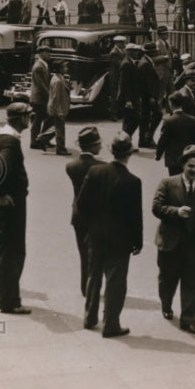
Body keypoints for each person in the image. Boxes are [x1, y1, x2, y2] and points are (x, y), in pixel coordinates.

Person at [75, 133, 143, 337]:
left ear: (111, 151)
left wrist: (91, 226)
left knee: (93, 276)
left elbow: (81, 204)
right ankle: (111, 324)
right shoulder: (133, 181)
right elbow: (135, 216)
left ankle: (89, 317)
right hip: (120, 239)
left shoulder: (95, 171)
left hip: (95, 235)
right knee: (115, 282)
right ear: (129, 154)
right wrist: (137, 241)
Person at [152, 145, 195, 334]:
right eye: (191, 166)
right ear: (183, 166)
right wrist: (176, 211)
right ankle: (166, 304)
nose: (194, 170)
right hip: (170, 243)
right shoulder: (167, 183)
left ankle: (188, 320)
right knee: (167, 280)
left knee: (192, 283)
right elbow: (156, 207)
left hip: (194, 244)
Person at [0, 102, 33, 314]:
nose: (30, 119)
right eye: (28, 116)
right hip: (11, 204)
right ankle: (10, 301)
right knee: (13, 252)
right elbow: (2, 168)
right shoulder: (11, 142)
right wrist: (2, 192)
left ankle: (0, 297)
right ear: (21, 118)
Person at [64, 127, 106, 297]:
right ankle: (93, 286)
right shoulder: (102, 167)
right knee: (96, 254)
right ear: (93, 146)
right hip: (96, 217)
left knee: (83, 252)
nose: (101, 147)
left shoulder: (71, 166)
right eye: (99, 144)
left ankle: (85, 287)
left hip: (78, 215)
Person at [155, 91, 195, 177]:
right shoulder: (192, 119)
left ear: (171, 104)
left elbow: (163, 140)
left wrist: (158, 155)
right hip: (188, 157)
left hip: (173, 160)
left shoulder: (168, 121)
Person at [28, 44, 53, 149]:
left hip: (41, 98)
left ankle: (43, 139)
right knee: (37, 121)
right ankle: (34, 142)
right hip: (39, 98)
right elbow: (41, 85)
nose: (49, 54)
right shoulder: (38, 66)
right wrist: (50, 96)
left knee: (48, 118)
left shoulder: (43, 65)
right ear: (41, 53)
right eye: (47, 52)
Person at [47, 60, 72, 156]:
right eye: (65, 67)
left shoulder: (60, 78)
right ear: (59, 69)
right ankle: (61, 148)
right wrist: (59, 111)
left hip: (60, 107)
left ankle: (43, 139)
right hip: (58, 108)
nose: (67, 68)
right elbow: (55, 98)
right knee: (60, 129)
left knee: (58, 127)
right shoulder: (57, 80)